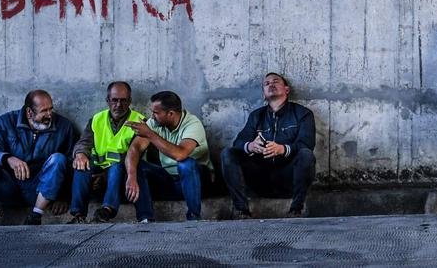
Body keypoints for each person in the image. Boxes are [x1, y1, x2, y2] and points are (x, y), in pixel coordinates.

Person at [0, 89, 77, 226]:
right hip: (8, 186)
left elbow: (70, 164)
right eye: (44, 111)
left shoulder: (64, 126)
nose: (49, 114)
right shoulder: (5, 122)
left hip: (39, 190)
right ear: (29, 112)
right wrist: (8, 159)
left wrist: (63, 197)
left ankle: (35, 216)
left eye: (50, 109)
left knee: (58, 159)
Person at [221, 72, 316, 218]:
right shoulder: (256, 116)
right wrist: (251, 146)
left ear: (287, 89)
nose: (271, 84)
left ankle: (296, 210)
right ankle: (241, 211)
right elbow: (238, 142)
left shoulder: (303, 114)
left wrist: (283, 149)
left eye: (275, 81)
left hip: (288, 178)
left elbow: (307, 143)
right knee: (228, 153)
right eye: (266, 84)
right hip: (259, 178)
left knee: (306, 154)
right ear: (263, 94)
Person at [124, 90, 211, 222]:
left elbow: (180, 154)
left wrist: (150, 134)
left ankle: (194, 217)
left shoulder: (192, 124)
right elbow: (135, 148)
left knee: (186, 163)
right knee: (137, 166)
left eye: (156, 113)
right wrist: (131, 176)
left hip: (196, 182)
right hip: (170, 180)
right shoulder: (155, 123)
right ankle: (145, 218)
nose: (152, 116)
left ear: (170, 114)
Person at [67, 81, 143, 223]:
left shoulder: (139, 121)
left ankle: (106, 210)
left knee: (116, 167)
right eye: (114, 100)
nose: (119, 105)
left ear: (130, 101)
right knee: (81, 165)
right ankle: (78, 215)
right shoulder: (97, 119)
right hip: (97, 169)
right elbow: (84, 142)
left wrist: (104, 175)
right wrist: (80, 154)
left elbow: (135, 154)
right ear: (107, 100)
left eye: (123, 100)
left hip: (123, 172)